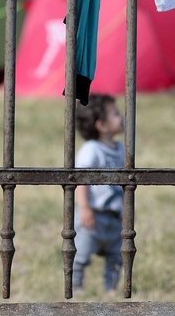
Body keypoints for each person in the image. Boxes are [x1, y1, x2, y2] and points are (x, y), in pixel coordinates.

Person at [72, 94, 125, 293]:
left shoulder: (120, 148)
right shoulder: (92, 149)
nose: (121, 118)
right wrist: (85, 208)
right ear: (101, 125)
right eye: (116, 114)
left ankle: (110, 289)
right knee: (81, 254)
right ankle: (75, 287)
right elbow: (81, 181)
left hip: (114, 214)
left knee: (116, 255)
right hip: (93, 216)